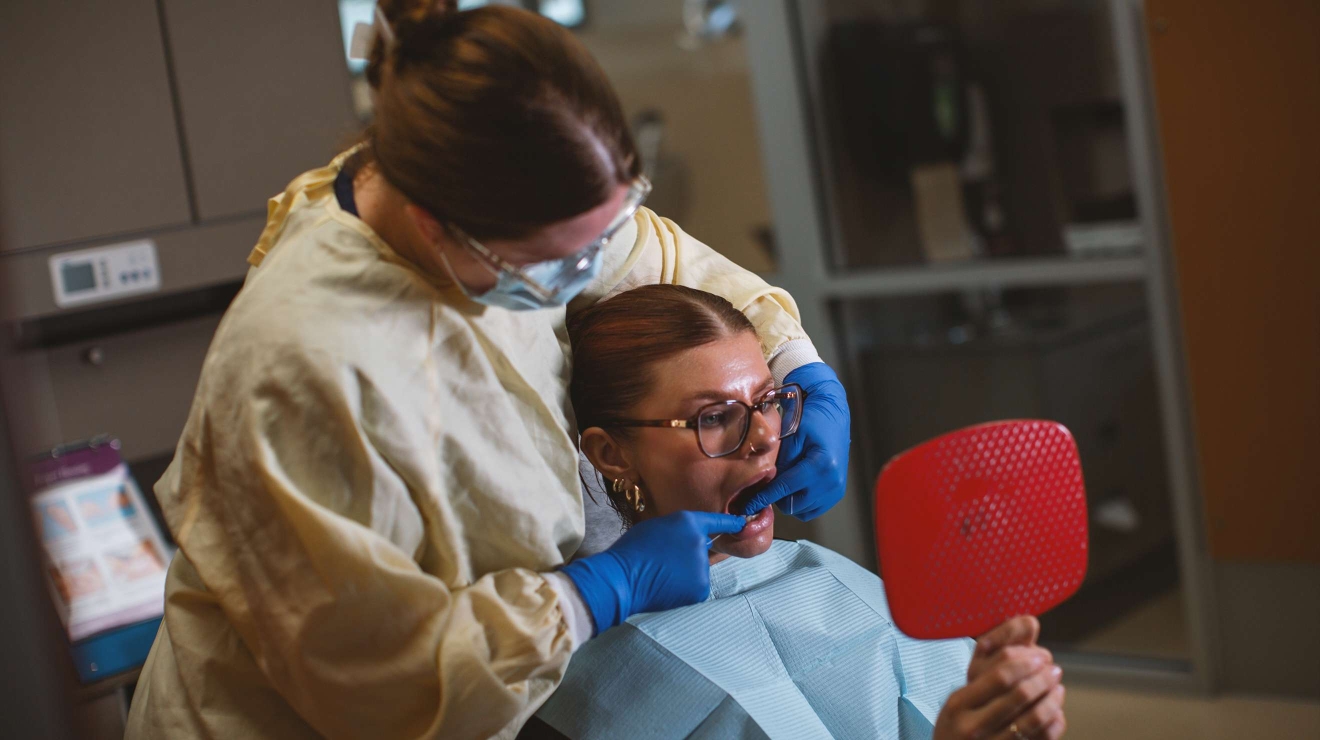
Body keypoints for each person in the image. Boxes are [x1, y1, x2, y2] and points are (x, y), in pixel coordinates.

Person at [124, 3, 850, 740]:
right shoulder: (305, 361)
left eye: (603, 233)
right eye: (556, 261)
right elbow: (380, 683)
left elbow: (658, 260)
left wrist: (798, 365)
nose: (590, 274)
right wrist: (593, 594)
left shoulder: (531, 199)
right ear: (436, 223)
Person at [525, 285, 1067, 740]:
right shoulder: (575, 671)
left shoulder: (821, 573)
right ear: (610, 454)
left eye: (768, 401)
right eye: (716, 416)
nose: (764, 437)